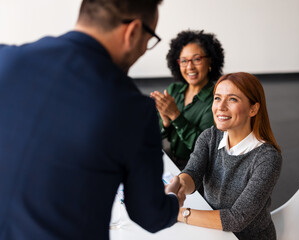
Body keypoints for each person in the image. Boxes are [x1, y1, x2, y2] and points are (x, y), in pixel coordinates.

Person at [0, 1, 183, 240]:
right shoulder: (133, 108)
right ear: (133, 31)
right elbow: (149, 215)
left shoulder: (6, 59)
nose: (142, 51)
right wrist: (173, 202)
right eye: (148, 41)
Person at [175, 72, 282, 240]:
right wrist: (179, 184)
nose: (221, 107)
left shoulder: (267, 158)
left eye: (232, 99)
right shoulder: (209, 136)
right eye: (217, 98)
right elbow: (193, 173)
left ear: (253, 109)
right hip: (212, 230)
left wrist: (179, 214)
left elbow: (236, 218)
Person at [150, 30, 224, 170]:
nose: (189, 67)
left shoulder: (217, 100)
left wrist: (175, 115)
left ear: (210, 61)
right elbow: (156, 135)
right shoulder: (174, 90)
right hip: (171, 161)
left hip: (198, 171)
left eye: (197, 59)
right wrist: (165, 121)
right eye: (184, 60)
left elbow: (204, 147)